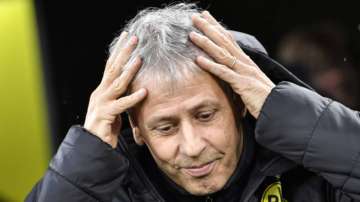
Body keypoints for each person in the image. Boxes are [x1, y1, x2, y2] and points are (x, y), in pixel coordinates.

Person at [26, 3, 360, 202]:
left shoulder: (315, 176)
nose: (192, 146)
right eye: (166, 126)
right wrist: (86, 156)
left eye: (205, 115)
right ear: (136, 128)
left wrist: (284, 110)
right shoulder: (107, 190)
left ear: (240, 102)